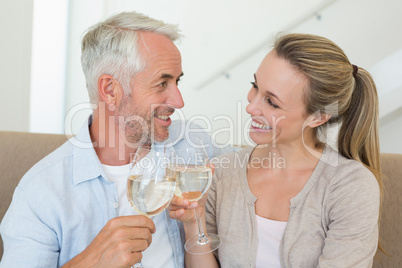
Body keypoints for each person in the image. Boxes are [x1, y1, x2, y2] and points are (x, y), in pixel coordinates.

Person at [0, 11, 232, 267]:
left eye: (177, 81)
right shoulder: (42, 192)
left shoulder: (193, 144)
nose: (179, 101)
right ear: (110, 90)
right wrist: (90, 261)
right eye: (162, 83)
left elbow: (262, 172)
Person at [169, 33, 382, 267]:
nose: (250, 106)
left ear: (318, 117)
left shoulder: (350, 187)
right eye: (255, 86)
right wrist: (193, 223)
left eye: (272, 102)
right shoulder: (223, 172)